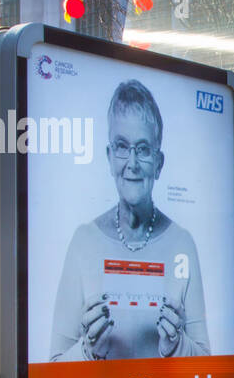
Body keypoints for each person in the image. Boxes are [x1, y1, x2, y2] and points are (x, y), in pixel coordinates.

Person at [48, 79, 209, 361]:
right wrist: (87, 352)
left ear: (159, 164)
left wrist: (176, 345)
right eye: (122, 146)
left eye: (143, 149)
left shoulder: (183, 242)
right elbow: (52, 368)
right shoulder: (83, 241)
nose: (132, 163)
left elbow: (208, 365)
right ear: (110, 158)